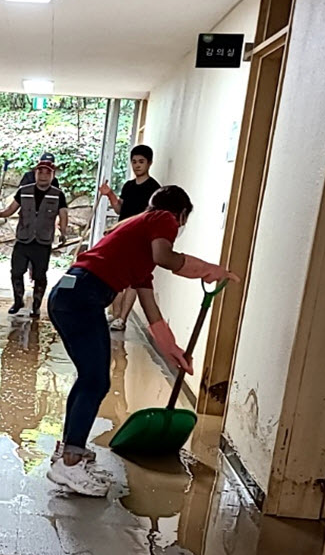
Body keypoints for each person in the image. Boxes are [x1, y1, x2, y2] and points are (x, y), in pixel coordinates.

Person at [46, 186, 239, 495]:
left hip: (69, 295)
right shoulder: (163, 216)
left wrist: (173, 350)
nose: (175, 230)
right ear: (181, 215)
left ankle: (70, 452)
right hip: (81, 296)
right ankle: (69, 463)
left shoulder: (137, 253)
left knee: (90, 379)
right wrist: (207, 270)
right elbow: (165, 257)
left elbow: (152, 314)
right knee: (95, 381)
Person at [0, 159, 69, 317]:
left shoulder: (58, 195)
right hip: (23, 239)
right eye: (40, 172)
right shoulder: (24, 191)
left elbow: (63, 214)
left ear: (53, 175)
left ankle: (36, 305)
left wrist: (63, 232)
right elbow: (11, 209)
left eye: (48, 173)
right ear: (35, 173)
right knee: (16, 272)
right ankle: (18, 300)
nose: (44, 176)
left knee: (40, 276)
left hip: (43, 241)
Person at [98, 144, 161, 332]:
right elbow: (120, 209)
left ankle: (122, 319)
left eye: (141, 162)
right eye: (134, 162)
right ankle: (115, 314)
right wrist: (109, 194)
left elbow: (148, 216)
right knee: (116, 276)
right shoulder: (128, 186)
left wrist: (121, 227)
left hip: (140, 239)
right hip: (122, 237)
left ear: (149, 163)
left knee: (134, 280)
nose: (137, 165)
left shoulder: (154, 189)